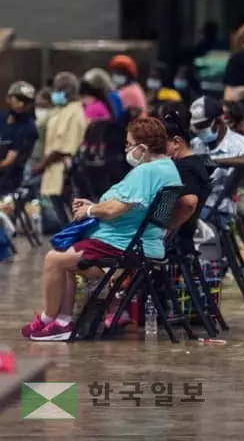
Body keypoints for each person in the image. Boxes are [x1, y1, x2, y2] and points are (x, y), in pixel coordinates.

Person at [21, 117, 183, 342]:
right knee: (65, 258)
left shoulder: (146, 171)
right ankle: (63, 321)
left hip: (123, 245)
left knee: (53, 259)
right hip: (143, 243)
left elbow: (116, 208)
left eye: (129, 144)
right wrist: (94, 206)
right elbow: (134, 206)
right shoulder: (167, 168)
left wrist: (90, 212)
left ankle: (50, 318)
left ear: (143, 148)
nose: (126, 149)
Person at [188, 97, 244, 223]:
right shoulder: (196, 144)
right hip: (192, 205)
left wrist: (214, 162)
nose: (199, 131)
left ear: (218, 121)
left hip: (216, 209)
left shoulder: (238, 143)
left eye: (203, 126)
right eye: (197, 127)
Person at [34, 72, 87, 228]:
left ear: (68, 90)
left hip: (64, 170)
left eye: (58, 90)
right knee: (60, 211)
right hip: (52, 168)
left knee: (71, 214)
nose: (55, 94)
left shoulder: (75, 112)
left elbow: (65, 148)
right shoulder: (62, 109)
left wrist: (42, 165)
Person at [158, 104, 211, 253]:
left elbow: (189, 202)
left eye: (161, 145)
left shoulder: (184, 168)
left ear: (176, 142)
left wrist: (167, 230)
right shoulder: (195, 162)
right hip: (180, 236)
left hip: (176, 241)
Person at [0, 82, 38, 197]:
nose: (21, 104)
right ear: (8, 98)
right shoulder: (2, 117)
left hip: (11, 186)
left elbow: (9, 161)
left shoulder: (28, 127)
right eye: (19, 99)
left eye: (26, 101)